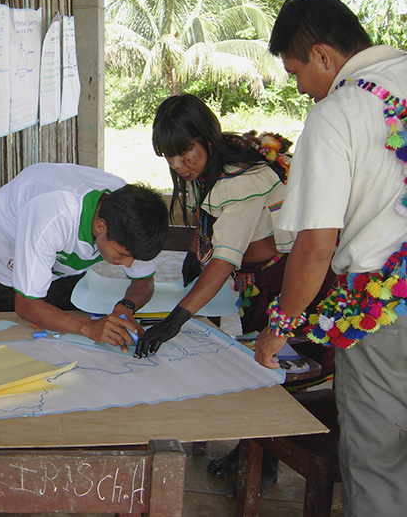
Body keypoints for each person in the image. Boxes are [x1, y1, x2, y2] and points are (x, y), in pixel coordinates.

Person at [253, 0, 407, 517]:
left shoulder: (337, 112)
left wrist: (280, 327)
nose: (301, 88)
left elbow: (317, 246)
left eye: (296, 72)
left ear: (322, 55)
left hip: (386, 317)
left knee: (377, 459)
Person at [137, 93, 336, 492]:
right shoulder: (205, 171)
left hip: (291, 279)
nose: (179, 164)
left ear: (207, 141)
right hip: (258, 280)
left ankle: (265, 461)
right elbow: (210, 228)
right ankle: (254, 447)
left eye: (185, 153)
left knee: (274, 367)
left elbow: (224, 262)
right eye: (170, 157)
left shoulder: (241, 180)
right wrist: (196, 252)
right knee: (255, 362)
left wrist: (175, 319)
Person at [0, 162, 168, 349]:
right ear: (100, 227)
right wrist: (88, 327)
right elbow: (25, 304)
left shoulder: (135, 219)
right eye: (122, 254)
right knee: (15, 338)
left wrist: (126, 307)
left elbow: (144, 281)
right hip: (10, 251)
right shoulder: (53, 215)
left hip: (64, 260)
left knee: (65, 333)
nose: (128, 264)